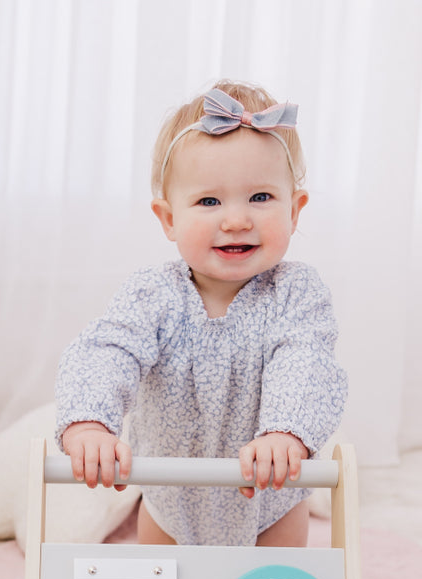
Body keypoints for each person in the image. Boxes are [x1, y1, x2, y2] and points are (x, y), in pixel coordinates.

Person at [54, 80, 347, 546]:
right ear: (169, 219)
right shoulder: (153, 295)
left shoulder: (297, 293)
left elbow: (306, 360)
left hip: (270, 495)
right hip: (171, 498)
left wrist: (284, 433)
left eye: (261, 198)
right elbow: (108, 350)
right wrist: (90, 422)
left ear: (295, 210)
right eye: (209, 201)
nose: (235, 219)